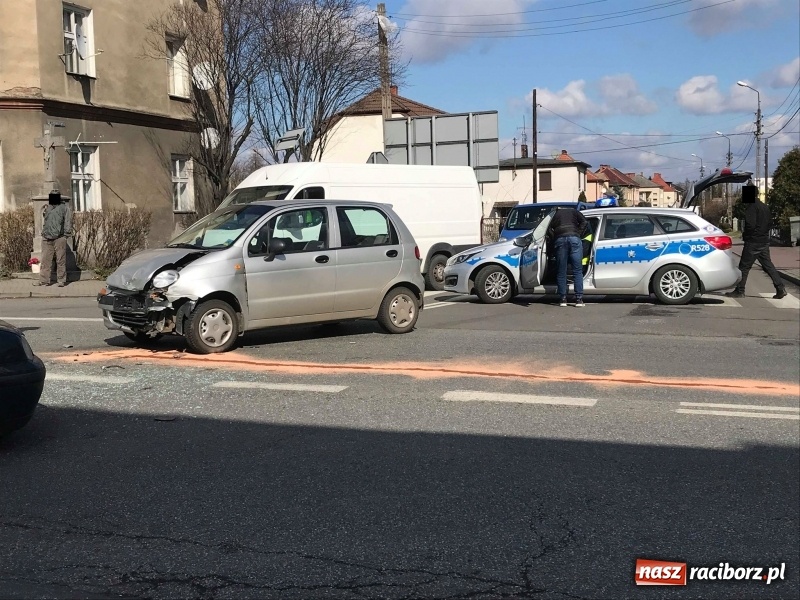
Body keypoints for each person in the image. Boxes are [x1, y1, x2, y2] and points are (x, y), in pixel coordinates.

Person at [727, 184, 786, 299]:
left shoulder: (751, 207)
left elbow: (750, 225)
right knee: (768, 266)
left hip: (753, 242)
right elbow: (770, 223)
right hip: (764, 241)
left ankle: (740, 290)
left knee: (744, 267)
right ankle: (780, 288)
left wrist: (747, 235)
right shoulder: (765, 207)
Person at [548, 206, 588, 307]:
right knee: (577, 270)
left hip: (560, 239)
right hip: (574, 239)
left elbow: (548, 228)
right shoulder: (575, 211)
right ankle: (579, 299)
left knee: (561, 270)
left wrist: (554, 237)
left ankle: (563, 299)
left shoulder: (555, 214)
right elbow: (585, 222)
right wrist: (578, 233)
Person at [38, 192, 72, 287]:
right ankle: (44, 280)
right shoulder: (48, 207)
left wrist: (66, 235)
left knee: (60, 260)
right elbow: (46, 221)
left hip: (59, 237)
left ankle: (61, 280)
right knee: (45, 260)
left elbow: (67, 222)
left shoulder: (64, 208)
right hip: (46, 237)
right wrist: (43, 233)